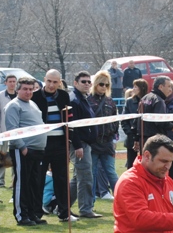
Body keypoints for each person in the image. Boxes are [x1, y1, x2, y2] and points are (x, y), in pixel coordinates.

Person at [32, 69, 77, 222]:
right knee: (38, 179)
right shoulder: (35, 96)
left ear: (60, 82)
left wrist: (72, 141)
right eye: (49, 81)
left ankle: (64, 213)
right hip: (41, 143)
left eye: (55, 82)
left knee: (62, 179)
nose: (51, 85)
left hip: (60, 143)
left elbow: (70, 120)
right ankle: (36, 212)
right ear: (44, 79)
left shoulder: (64, 96)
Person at [5, 77, 47, 226]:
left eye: (31, 89)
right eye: (25, 89)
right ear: (18, 89)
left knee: (33, 184)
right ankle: (21, 215)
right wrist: (23, 148)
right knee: (22, 183)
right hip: (23, 150)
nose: (28, 92)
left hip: (37, 151)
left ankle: (32, 214)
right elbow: (12, 129)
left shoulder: (33, 104)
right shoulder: (13, 106)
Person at [69, 71, 102, 218]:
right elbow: (72, 126)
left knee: (78, 178)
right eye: (83, 81)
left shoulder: (83, 98)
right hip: (79, 144)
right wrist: (77, 146)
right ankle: (86, 209)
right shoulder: (74, 100)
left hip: (85, 143)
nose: (87, 84)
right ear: (75, 83)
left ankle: (59, 205)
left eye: (89, 82)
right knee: (86, 177)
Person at [87, 70, 119, 201]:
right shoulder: (88, 100)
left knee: (111, 172)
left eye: (106, 84)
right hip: (93, 142)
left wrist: (114, 137)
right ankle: (90, 203)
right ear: (95, 84)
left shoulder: (110, 101)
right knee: (92, 173)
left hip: (107, 142)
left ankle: (122, 199)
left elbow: (115, 121)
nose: (104, 87)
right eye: (101, 84)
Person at [137, 76, 173, 150]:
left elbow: (136, 120)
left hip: (142, 139)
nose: (170, 90)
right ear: (161, 87)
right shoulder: (159, 100)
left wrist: (136, 138)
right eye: (169, 86)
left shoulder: (144, 98)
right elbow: (161, 122)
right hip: (155, 141)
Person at [0, 74, 17, 188]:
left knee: (15, 157)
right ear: (5, 83)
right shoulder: (0, 96)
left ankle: (14, 180)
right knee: (2, 157)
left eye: (14, 81)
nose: (12, 83)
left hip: (17, 132)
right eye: (10, 81)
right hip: (4, 132)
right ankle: (0, 180)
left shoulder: (19, 95)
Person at [121, 79, 149, 169]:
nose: (133, 89)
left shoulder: (149, 101)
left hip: (146, 138)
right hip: (131, 138)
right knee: (131, 165)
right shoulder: (129, 102)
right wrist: (131, 135)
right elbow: (124, 120)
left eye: (136, 87)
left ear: (142, 88)